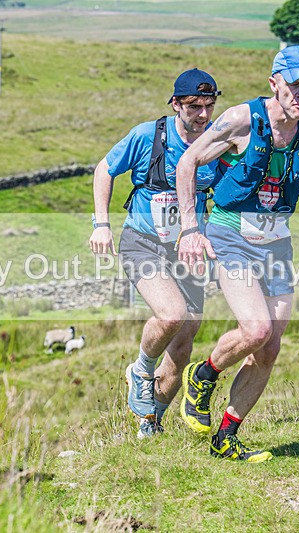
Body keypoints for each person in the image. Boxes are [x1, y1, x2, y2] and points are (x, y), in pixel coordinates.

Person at [176, 46, 299, 462]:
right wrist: (190, 228)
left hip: (277, 241)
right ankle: (203, 375)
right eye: (294, 86)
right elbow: (188, 162)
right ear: (274, 83)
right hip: (231, 233)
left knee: (269, 348)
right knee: (255, 330)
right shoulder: (241, 119)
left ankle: (227, 436)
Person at [88, 69, 222, 437]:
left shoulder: (216, 142)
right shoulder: (149, 135)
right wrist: (102, 224)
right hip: (143, 242)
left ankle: (152, 422)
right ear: (176, 104)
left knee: (183, 344)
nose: (203, 115)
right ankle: (141, 369)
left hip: (188, 251)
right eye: (194, 106)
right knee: (172, 314)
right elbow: (105, 169)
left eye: (209, 106)